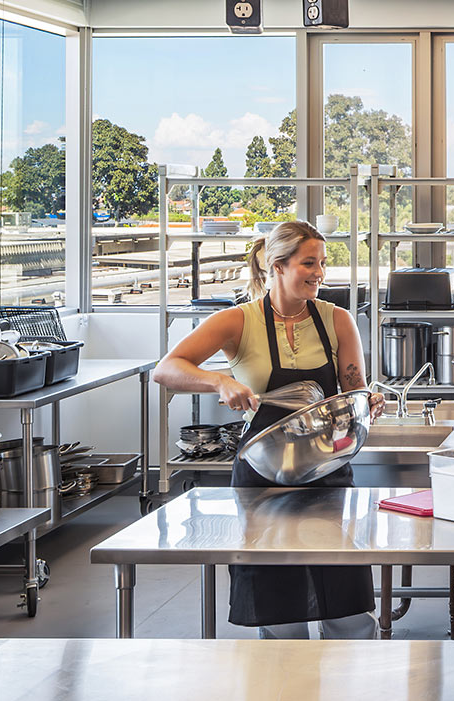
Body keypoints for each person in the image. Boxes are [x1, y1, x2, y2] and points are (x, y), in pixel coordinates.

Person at [152, 221, 384, 639]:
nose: (319, 273)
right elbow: (166, 369)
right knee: (280, 610)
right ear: (277, 265)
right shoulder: (238, 322)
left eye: (323, 263)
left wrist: (369, 399)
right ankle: (284, 698)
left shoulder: (337, 320)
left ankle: (356, 693)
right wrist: (219, 381)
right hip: (263, 481)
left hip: (328, 475)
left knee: (348, 604)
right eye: (308, 263)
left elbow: (354, 390)